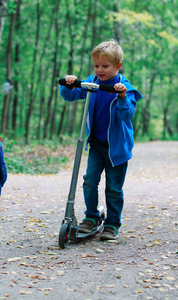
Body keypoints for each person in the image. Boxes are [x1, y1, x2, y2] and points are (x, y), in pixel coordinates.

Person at [59, 40, 143, 240]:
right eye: (97, 66)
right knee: (89, 181)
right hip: (96, 145)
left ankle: (112, 223)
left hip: (117, 148)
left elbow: (126, 115)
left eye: (105, 66)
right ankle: (92, 217)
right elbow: (70, 96)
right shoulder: (92, 82)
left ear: (117, 66)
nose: (100, 70)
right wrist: (70, 85)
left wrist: (122, 96)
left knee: (113, 188)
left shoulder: (125, 88)